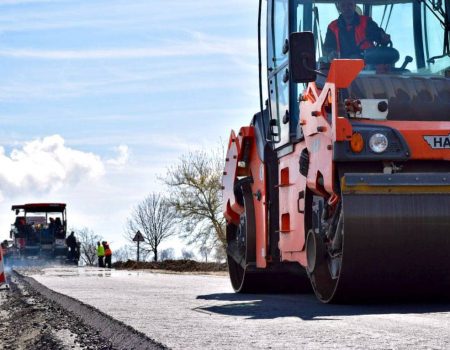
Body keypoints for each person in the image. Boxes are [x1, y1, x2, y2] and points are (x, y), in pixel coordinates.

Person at [323, 0, 391, 59]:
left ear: (355, 5)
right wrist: (331, 53)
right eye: (343, 5)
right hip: (341, 68)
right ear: (339, 7)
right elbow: (327, 48)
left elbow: (379, 36)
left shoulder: (366, 22)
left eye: (350, 4)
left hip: (367, 69)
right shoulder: (332, 27)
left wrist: (383, 38)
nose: (347, 8)